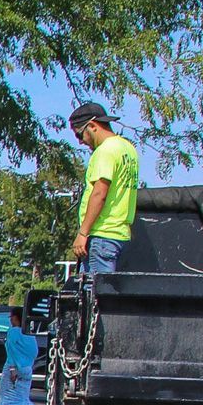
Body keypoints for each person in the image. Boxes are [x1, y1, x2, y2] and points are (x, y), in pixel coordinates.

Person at [69, 101, 140, 280]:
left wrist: (83, 233)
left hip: (101, 234)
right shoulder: (128, 149)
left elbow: (99, 193)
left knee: (95, 298)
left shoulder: (105, 151)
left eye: (79, 134)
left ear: (92, 126)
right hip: (119, 234)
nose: (80, 141)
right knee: (105, 294)